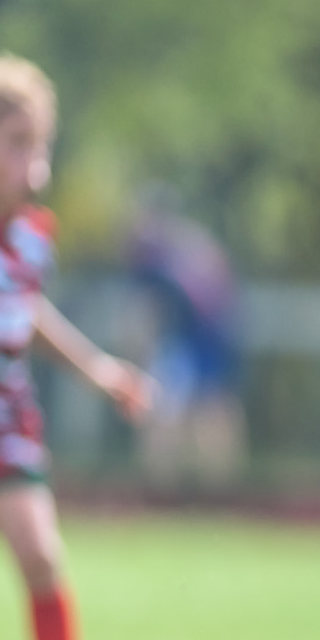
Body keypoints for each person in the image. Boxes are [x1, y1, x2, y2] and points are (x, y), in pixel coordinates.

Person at [0, 51, 152, 640]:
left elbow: (28, 312)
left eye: (40, 146)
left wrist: (99, 369)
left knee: (43, 556)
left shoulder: (29, 236)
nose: (35, 165)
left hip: (1, 416)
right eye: (18, 144)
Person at [126, 188, 246, 494]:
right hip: (200, 339)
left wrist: (141, 347)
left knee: (173, 414)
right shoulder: (190, 245)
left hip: (192, 341)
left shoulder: (162, 253)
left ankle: (170, 491)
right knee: (200, 413)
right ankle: (205, 491)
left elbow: (151, 312)